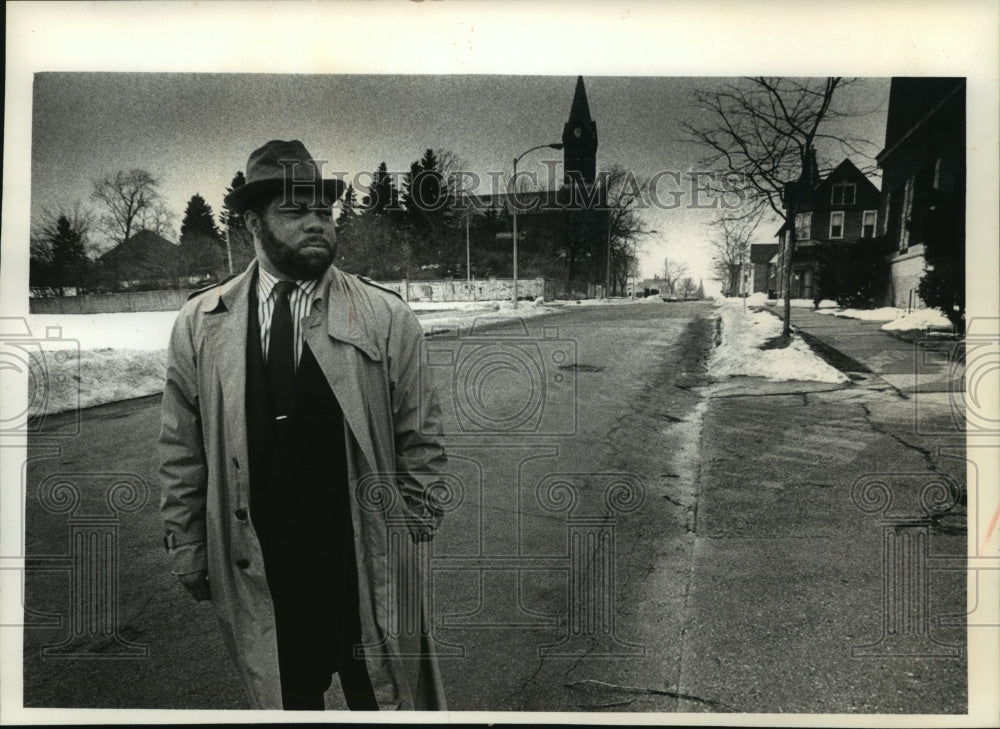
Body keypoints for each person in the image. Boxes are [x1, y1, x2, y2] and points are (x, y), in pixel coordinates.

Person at [159, 139, 448, 711]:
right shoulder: (202, 323)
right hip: (264, 563)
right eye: (295, 212)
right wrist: (188, 542)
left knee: (389, 698)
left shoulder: (385, 316)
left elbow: (421, 435)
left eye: (324, 210)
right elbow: (181, 447)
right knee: (288, 698)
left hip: (362, 560)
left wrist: (414, 525)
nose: (317, 223)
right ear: (251, 223)